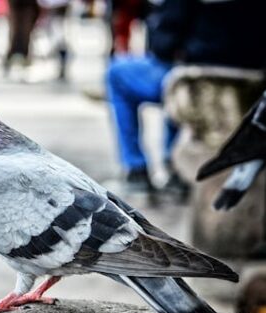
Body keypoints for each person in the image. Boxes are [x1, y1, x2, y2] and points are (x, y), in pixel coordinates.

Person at [106, 0, 266, 195]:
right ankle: (173, 168)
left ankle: (136, 169)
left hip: (195, 82)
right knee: (175, 73)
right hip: (251, 84)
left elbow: (163, 46)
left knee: (117, 73)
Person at [3, 0, 39, 75]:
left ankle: (20, 55)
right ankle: (16, 55)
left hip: (27, 4)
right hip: (22, 4)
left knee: (21, 28)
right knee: (19, 28)